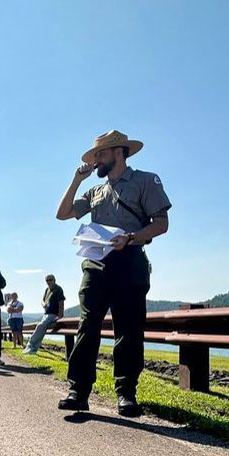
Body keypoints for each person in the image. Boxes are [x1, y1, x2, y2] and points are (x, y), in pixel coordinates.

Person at [55, 130, 171, 417]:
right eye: (95, 156)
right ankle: (78, 391)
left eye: (100, 154)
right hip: (95, 264)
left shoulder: (145, 180)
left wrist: (131, 237)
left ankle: (126, 393)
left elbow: (162, 223)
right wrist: (77, 179)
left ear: (119, 152)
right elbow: (63, 213)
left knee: (129, 330)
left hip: (129, 260)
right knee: (87, 327)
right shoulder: (94, 191)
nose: (96, 161)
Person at [23, 275, 65, 355]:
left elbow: (61, 303)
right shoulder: (47, 290)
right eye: (47, 280)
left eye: (50, 280)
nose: (49, 281)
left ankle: (30, 345)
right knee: (41, 330)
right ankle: (33, 349)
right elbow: (42, 300)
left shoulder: (58, 289)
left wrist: (59, 316)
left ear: (54, 280)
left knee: (40, 326)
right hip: (46, 314)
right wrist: (44, 304)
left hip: (53, 314)